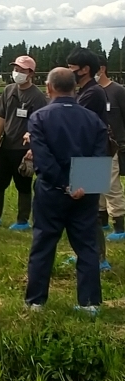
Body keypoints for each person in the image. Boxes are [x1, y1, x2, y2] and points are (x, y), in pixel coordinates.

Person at [24, 67, 107, 314]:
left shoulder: (39, 118)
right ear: (74, 88)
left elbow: (44, 158)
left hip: (51, 191)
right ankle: (90, 303)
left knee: (44, 244)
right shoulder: (93, 119)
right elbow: (99, 155)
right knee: (87, 246)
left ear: (49, 88)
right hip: (85, 192)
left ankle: (36, 301)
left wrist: (64, 184)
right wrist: (82, 185)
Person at [0, 56, 47, 231]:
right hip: (5, 146)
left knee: (23, 185)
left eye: (22, 70)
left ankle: (23, 220)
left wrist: (33, 148)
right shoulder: (8, 90)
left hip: (24, 149)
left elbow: (40, 124)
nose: (17, 73)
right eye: (16, 69)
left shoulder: (37, 96)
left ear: (31, 73)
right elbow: (2, 116)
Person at [67, 47, 111, 271]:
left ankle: (99, 258)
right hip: (86, 156)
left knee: (89, 213)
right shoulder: (82, 90)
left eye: (72, 67)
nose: (69, 71)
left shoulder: (92, 93)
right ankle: (88, 254)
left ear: (85, 69)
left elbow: (72, 117)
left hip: (92, 159)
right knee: (82, 212)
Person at [95, 55, 125, 241]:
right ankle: (101, 220)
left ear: (102, 68)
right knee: (95, 186)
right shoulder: (90, 91)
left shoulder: (117, 91)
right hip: (92, 146)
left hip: (111, 146)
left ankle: (119, 225)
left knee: (111, 185)